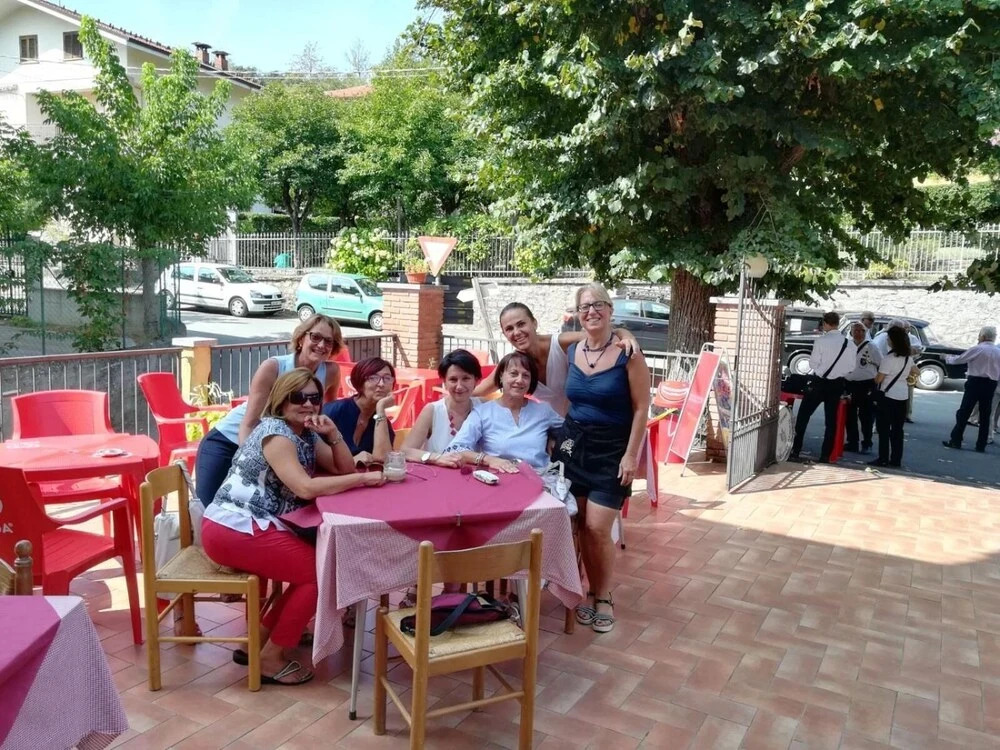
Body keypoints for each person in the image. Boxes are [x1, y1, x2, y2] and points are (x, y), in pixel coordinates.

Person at [201, 368, 385, 686]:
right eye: (298, 397)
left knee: (316, 569)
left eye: (314, 398)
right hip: (233, 527)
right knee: (319, 574)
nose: (308, 404)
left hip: (250, 523)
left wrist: (333, 434)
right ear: (281, 400)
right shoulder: (277, 434)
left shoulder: (304, 433)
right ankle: (271, 658)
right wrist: (363, 479)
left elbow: (343, 467)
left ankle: (259, 643)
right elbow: (305, 488)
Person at [552, 283, 650, 635]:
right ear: (578, 314)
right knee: (579, 524)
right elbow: (536, 344)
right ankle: (583, 587)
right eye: (585, 306)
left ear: (610, 309)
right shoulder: (572, 349)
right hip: (572, 446)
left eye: (598, 305)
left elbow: (642, 408)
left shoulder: (629, 354)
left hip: (612, 450)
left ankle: (603, 595)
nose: (591, 311)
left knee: (597, 527)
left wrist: (631, 455)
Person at [195, 314, 344, 507]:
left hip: (275, 446)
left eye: (329, 341)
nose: (321, 345)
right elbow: (249, 423)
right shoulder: (274, 367)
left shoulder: (331, 371)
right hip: (230, 440)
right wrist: (251, 462)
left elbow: (327, 414)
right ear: (301, 339)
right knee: (207, 507)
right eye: (315, 337)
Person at [475, 302, 636, 415]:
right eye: (509, 329)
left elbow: (604, 335)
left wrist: (627, 336)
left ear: (534, 323)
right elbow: (477, 392)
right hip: (555, 430)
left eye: (521, 324)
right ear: (504, 334)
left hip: (589, 422)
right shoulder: (514, 365)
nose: (516, 332)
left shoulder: (561, 344)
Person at [446, 351, 564, 474]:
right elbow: (455, 449)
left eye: (526, 376)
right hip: (500, 479)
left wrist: (554, 436)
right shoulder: (482, 413)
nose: (519, 380)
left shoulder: (543, 411)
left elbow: (569, 430)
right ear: (501, 376)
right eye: (514, 374)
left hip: (541, 479)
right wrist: (489, 460)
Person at [789, 311, 854, 463]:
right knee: (831, 421)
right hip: (837, 384)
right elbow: (851, 367)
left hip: (819, 381)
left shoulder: (821, 341)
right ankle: (825, 455)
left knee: (803, 416)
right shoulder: (849, 344)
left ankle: (795, 450)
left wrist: (822, 369)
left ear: (825, 323)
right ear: (837, 323)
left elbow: (812, 364)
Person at [400, 349, 481, 467]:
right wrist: (436, 458)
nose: (459, 386)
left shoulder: (484, 408)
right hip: (436, 476)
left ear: (476, 381)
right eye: (453, 379)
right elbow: (405, 451)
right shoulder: (432, 411)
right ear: (444, 382)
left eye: (466, 378)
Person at [322, 357, 396, 465]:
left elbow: (383, 459)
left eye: (387, 378)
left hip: (362, 475)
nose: (381, 384)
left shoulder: (381, 422)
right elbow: (313, 453)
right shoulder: (334, 410)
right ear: (360, 383)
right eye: (373, 378)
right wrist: (352, 461)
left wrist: (380, 408)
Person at [942, 325, 1000, 453]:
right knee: (985, 415)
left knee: (964, 412)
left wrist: (946, 358)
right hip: (991, 384)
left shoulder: (978, 349)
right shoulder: (998, 352)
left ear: (983, 336)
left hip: (975, 382)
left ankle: (956, 440)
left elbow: (960, 359)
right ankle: (981, 444)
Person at [869, 327, 918, 468]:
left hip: (887, 396)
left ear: (893, 341)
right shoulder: (908, 358)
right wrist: (905, 376)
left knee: (883, 429)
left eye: (889, 338)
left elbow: (879, 379)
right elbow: (917, 371)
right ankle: (896, 459)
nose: (887, 340)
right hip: (902, 396)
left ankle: (883, 458)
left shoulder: (889, 358)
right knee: (897, 430)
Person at [843, 321, 881, 454]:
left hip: (866, 384)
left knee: (866, 415)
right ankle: (852, 442)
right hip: (849, 384)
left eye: (862, 331)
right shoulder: (847, 345)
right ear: (851, 332)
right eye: (856, 331)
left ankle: (867, 443)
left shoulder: (872, 347)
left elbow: (880, 363)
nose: (859, 333)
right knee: (849, 415)